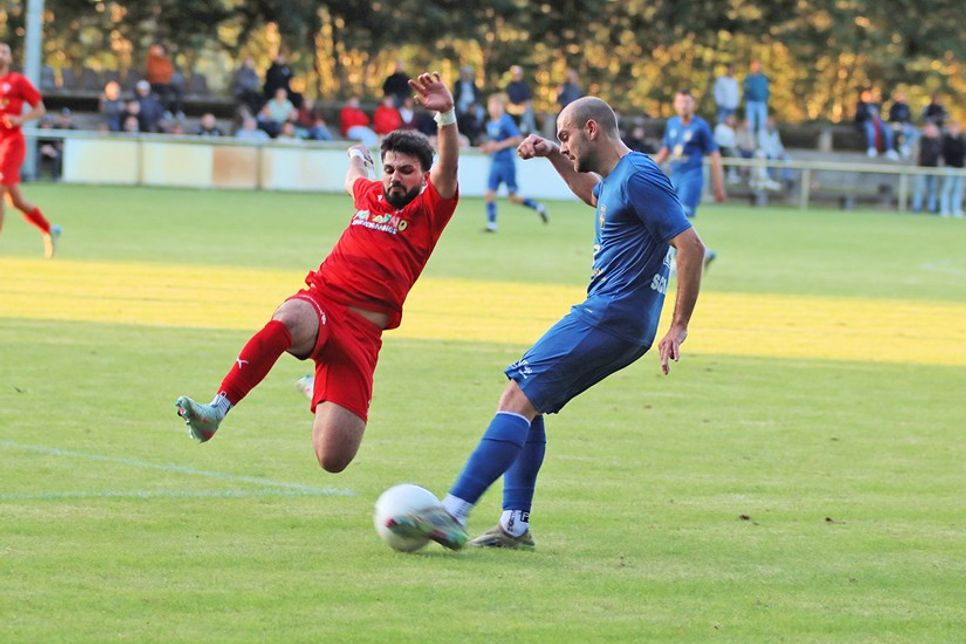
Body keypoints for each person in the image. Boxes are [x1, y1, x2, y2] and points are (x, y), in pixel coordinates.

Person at [384, 97, 707, 550]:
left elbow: (690, 245)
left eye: (565, 136)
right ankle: (514, 527)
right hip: (619, 318)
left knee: (516, 396)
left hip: (613, 314)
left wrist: (679, 325)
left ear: (591, 129)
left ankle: (451, 513)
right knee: (526, 397)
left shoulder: (639, 176)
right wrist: (552, 155)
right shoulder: (618, 180)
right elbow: (586, 191)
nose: (564, 145)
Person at [175, 73, 461, 479]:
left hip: (362, 335)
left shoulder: (431, 210)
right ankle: (216, 410)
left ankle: (317, 386)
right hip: (323, 301)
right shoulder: (372, 194)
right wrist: (356, 158)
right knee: (289, 319)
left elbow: (448, 167)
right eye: (391, 169)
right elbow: (353, 180)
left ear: (423, 176)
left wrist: (446, 114)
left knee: (332, 458)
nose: (396, 177)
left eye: (407, 171)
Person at [0, 43, 61, 258]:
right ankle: (48, 229)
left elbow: (39, 108)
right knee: (14, 199)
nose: (1, 54)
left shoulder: (17, 81)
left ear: (9, 58)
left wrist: (20, 119)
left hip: (12, 142)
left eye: (4, 51)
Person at [653, 89, 725, 267]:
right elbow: (665, 150)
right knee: (670, 218)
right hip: (673, 179)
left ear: (693, 105)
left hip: (692, 178)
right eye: (680, 102)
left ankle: (672, 264)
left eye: (687, 102)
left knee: (679, 218)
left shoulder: (701, 126)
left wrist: (719, 186)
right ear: (675, 105)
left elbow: (714, 155)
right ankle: (704, 253)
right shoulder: (672, 124)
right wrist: (648, 170)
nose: (684, 105)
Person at [481, 93, 549, 232]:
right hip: (495, 161)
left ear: (502, 107)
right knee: (489, 193)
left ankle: (538, 207)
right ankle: (492, 224)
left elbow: (517, 138)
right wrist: (488, 148)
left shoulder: (506, 121)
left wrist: (498, 146)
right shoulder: (490, 124)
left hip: (506, 162)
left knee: (513, 197)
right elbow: (495, 142)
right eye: (492, 105)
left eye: (497, 105)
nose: (494, 108)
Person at [855, 89, 898, 160]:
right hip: (864, 123)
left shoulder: (874, 105)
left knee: (887, 129)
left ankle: (890, 150)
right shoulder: (860, 105)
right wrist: (869, 115)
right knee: (870, 129)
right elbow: (859, 116)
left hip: (877, 122)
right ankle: (871, 148)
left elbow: (879, 115)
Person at [912, 122, 943, 214]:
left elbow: (940, 155)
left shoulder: (938, 141)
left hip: (934, 168)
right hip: (922, 167)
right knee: (919, 188)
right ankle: (917, 207)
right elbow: (916, 153)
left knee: (933, 189)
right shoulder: (921, 139)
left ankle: (932, 207)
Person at [940, 121, 964, 218]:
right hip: (949, 167)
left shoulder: (961, 139)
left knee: (958, 190)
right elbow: (945, 152)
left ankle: (956, 209)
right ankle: (944, 209)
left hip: (960, 167)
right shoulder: (946, 139)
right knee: (947, 189)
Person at [505, 65, 537, 134]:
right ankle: (530, 131)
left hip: (523, 108)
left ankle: (524, 128)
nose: (517, 76)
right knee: (528, 112)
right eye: (515, 74)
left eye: (519, 74)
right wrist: (515, 107)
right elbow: (507, 101)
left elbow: (529, 100)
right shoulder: (509, 87)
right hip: (512, 107)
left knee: (528, 110)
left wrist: (522, 107)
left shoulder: (525, 86)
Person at [888, 90, 919, 159]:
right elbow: (892, 117)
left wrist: (910, 124)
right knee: (902, 131)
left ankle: (905, 146)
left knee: (916, 132)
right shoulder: (894, 107)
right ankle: (896, 148)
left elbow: (909, 118)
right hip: (897, 124)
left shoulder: (906, 107)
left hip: (906, 125)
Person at [743, 60, 769, 134]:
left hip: (761, 102)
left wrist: (765, 99)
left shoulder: (763, 78)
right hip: (750, 102)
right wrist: (747, 99)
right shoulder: (748, 78)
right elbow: (745, 90)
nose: (756, 68)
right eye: (755, 66)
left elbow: (766, 90)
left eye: (758, 66)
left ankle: (762, 139)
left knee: (763, 122)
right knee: (750, 123)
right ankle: (750, 141)